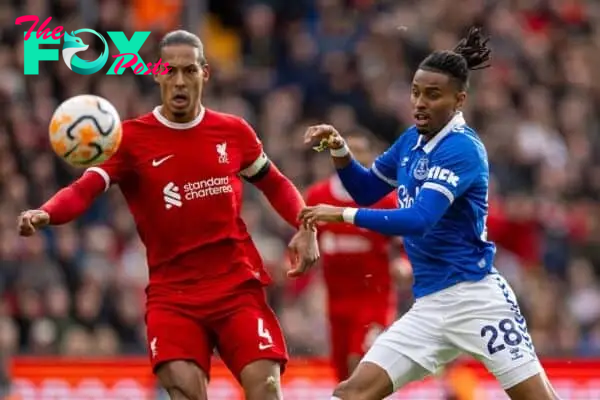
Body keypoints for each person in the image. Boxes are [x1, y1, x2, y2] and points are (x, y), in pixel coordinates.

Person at [17, 30, 319, 400]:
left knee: (267, 388)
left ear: (205, 74)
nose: (180, 81)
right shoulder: (129, 140)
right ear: (157, 73)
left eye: (189, 71)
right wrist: (46, 213)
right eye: (171, 71)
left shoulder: (233, 132)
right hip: (174, 299)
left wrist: (306, 225)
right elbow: (85, 188)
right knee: (187, 392)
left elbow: (275, 184)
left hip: (236, 288)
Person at [300, 27, 559, 400]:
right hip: (430, 306)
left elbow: (420, 219)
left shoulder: (463, 149)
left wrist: (341, 216)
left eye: (432, 95)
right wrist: (340, 150)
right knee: (351, 393)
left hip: (477, 300)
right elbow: (367, 189)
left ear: (459, 100)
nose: (419, 102)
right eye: (415, 92)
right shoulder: (411, 141)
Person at [305, 131, 411, 382]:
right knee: (342, 378)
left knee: (360, 364)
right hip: (336, 301)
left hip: (374, 297)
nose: (352, 156)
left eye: (359, 150)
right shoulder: (317, 197)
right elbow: (308, 241)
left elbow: (408, 241)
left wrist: (405, 264)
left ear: (371, 157)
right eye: (346, 149)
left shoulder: (386, 201)